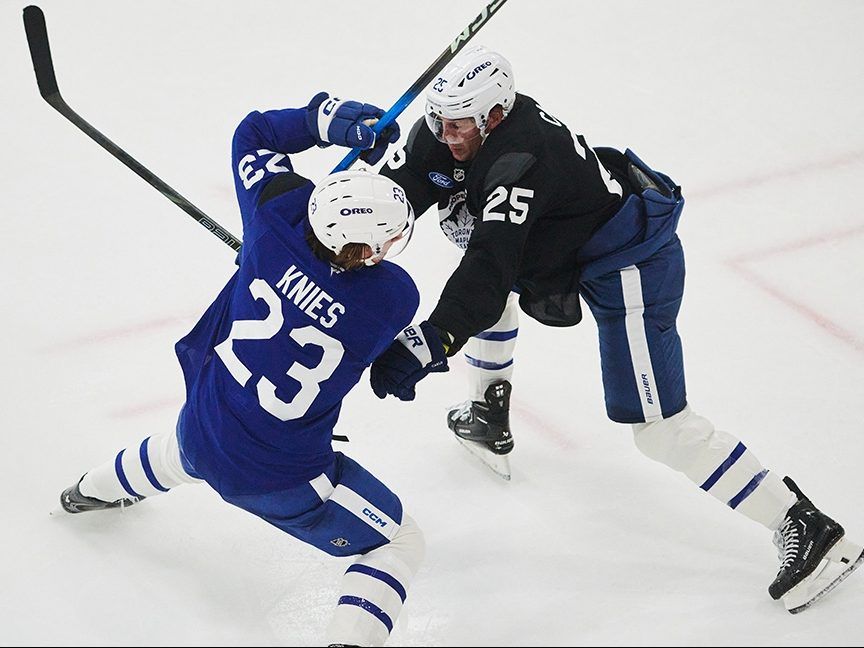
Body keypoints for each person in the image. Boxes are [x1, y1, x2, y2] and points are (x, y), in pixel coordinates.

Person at [372, 45, 863, 613]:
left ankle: (805, 525)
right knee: (491, 277)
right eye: (439, 121)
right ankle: (488, 409)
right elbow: (396, 194)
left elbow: (487, 268)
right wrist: (322, 225)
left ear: (496, 115)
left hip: (629, 263)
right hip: (567, 242)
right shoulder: (450, 127)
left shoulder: (519, 162)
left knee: (659, 429)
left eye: (459, 126)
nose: (446, 135)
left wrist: (431, 339)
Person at [58, 92, 424, 647]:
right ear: (371, 250)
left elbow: (252, 136)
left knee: (185, 453)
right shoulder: (393, 298)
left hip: (203, 423)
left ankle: (87, 490)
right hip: (284, 475)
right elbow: (346, 281)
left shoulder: (274, 215)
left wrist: (321, 123)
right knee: (398, 544)